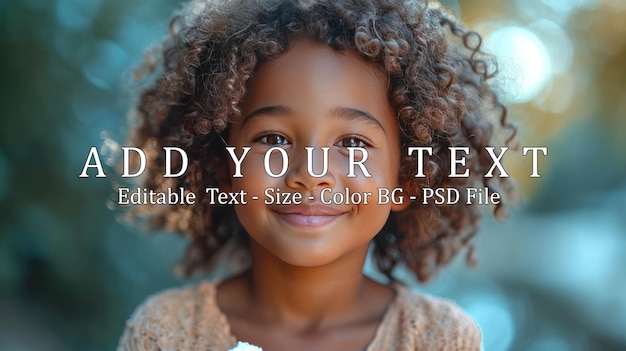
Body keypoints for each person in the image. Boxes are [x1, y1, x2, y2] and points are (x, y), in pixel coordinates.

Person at [117, 0, 516, 350]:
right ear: (224, 168)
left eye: (353, 144)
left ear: (406, 179)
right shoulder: (165, 334)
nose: (311, 174)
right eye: (273, 139)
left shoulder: (440, 340)